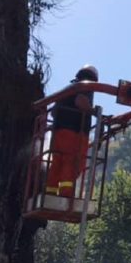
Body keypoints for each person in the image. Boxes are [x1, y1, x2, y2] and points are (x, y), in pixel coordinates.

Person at [46, 64, 98, 197]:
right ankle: (65, 194)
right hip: (74, 133)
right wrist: (93, 111)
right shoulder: (86, 87)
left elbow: (52, 112)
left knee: (57, 162)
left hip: (58, 133)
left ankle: (50, 192)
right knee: (72, 162)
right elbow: (80, 101)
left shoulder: (68, 90)